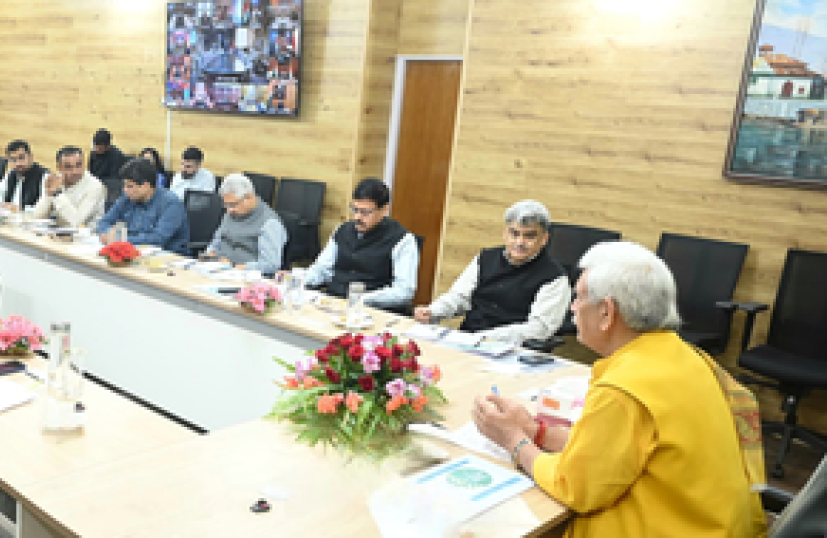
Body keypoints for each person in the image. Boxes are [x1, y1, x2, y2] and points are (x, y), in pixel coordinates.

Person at [471, 242, 766, 537]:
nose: (572, 307)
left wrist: (514, 441)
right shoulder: (691, 357)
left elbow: (575, 489)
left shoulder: (623, 388)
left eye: (579, 297)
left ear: (606, 312)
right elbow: (613, 451)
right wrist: (535, 431)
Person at [414, 200, 569, 344]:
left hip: (512, 349)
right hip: (467, 340)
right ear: (505, 234)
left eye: (529, 236)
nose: (520, 242)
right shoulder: (485, 258)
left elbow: (540, 328)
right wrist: (433, 311)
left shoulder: (554, 277)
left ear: (544, 239)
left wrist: (487, 337)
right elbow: (460, 297)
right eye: (514, 233)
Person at [297, 179, 419, 308]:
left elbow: (404, 291)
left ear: (384, 210)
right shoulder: (342, 230)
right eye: (355, 210)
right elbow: (322, 269)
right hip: (334, 303)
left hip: (373, 309)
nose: (357, 217)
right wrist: (297, 278)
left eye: (365, 212)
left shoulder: (403, 240)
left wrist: (362, 299)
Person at [97, 158, 189, 254]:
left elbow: (157, 239)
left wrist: (120, 239)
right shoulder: (127, 198)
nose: (125, 190)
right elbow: (105, 221)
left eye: (129, 186)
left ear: (146, 186)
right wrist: (108, 234)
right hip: (134, 251)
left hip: (168, 256)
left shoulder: (171, 203)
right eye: (124, 185)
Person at [203, 174, 287, 273]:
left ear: (248, 197)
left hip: (245, 276)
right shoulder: (230, 214)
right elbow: (215, 244)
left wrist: (234, 267)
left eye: (233, 205)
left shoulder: (270, 223)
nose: (229, 210)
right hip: (218, 270)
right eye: (226, 205)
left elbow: (271, 265)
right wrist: (210, 254)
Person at [32, 146, 106, 228]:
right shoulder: (56, 181)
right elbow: (37, 217)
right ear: (59, 168)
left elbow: (77, 222)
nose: (75, 171)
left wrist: (57, 193)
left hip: (89, 234)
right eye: (68, 167)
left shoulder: (95, 186)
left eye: (78, 165)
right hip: (59, 231)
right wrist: (48, 194)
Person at [0, 139, 48, 211]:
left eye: (21, 158)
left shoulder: (44, 177)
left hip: (29, 218)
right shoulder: (11, 174)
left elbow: (46, 209)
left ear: (31, 157)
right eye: (13, 160)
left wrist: (20, 209)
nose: (18, 163)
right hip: (9, 216)